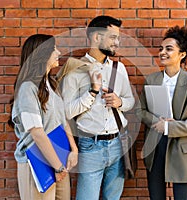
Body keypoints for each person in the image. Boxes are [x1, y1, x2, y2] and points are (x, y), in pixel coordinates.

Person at [60, 15, 135, 200]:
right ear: (96, 37)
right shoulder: (75, 69)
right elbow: (67, 112)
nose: (116, 42)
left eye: (118, 38)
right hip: (89, 146)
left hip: (118, 143)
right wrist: (91, 93)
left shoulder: (119, 68)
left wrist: (120, 102)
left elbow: (130, 101)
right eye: (112, 37)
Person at [138, 26, 187, 200]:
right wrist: (157, 122)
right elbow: (140, 110)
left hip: (185, 149)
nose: (163, 52)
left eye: (169, 49)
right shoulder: (151, 80)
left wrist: (170, 127)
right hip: (156, 147)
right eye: (161, 49)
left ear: (182, 54)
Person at [9, 34, 78, 200]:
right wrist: (58, 167)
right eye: (54, 49)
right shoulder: (27, 88)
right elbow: (37, 133)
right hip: (38, 163)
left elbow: (64, 122)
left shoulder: (52, 85)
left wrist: (74, 149)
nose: (59, 53)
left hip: (59, 161)